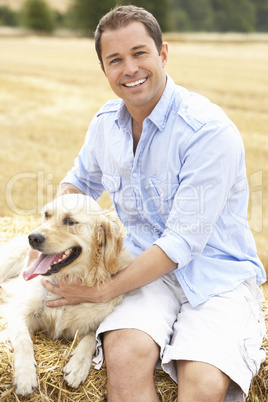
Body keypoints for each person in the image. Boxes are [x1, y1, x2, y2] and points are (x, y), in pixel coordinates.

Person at [39, 5, 266, 402]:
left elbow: (180, 244)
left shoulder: (207, 131)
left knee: (202, 385)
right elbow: (78, 182)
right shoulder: (105, 125)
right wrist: (58, 238)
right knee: (124, 359)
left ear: (162, 54)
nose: (129, 69)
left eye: (139, 53)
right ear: (104, 69)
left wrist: (100, 291)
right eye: (115, 60)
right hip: (143, 272)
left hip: (216, 277)